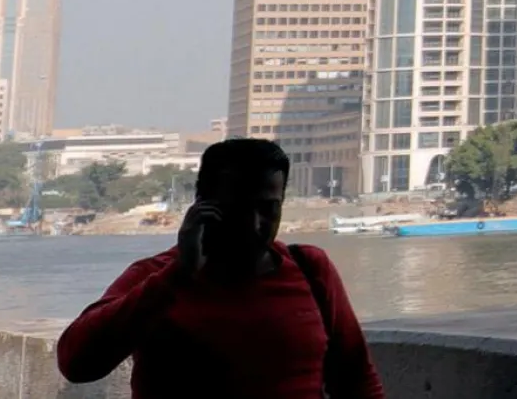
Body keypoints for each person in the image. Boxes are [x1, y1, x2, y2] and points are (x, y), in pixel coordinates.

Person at [57, 138, 385, 398]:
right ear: (202, 206)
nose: (255, 224)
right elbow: (77, 361)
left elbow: (357, 381)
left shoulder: (311, 269)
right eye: (238, 208)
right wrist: (179, 276)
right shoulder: (155, 277)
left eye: (269, 209)